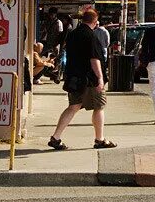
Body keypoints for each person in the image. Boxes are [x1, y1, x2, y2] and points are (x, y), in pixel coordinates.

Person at [49, 9, 115, 150]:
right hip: (89, 79)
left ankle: (56, 137)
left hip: (74, 77)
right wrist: (100, 78)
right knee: (99, 107)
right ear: (95, 21)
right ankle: (100, 139)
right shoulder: (91, 36)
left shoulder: (73, 34)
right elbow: (94, 59)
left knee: (73, 106)